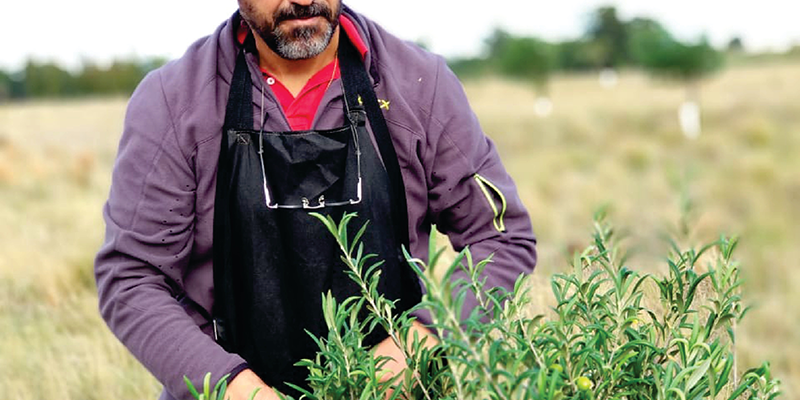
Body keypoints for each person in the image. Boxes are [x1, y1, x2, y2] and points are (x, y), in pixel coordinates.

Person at [94, 1, 537, 399]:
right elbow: (132, 277)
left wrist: (421, 341)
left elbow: (502, 236)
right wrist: (233, 387)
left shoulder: (420, 86)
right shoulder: (173, 101)